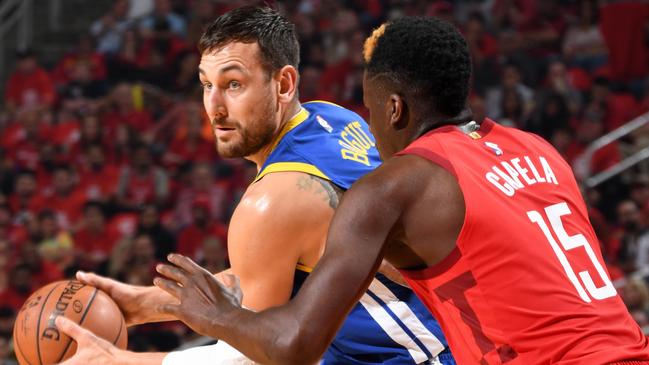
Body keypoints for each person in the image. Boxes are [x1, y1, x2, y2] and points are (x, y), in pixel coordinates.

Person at [59, 16, 649, 365]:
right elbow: (307, 262)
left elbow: (287, 344)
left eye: (233, 84)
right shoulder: (537, 150)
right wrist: (153, 303)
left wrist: (158, 347)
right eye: (205, 85)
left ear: (393, 108)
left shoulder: (399, 183)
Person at [56, 7, 454, 365]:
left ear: (283, 84)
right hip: (445, 338)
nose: (214, 107)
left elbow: (251, 358)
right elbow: (285, 265)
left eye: (233, 84)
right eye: (206, 84)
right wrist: (145, 304)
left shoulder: (274, 200)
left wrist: (116, 360)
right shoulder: (335, 118)